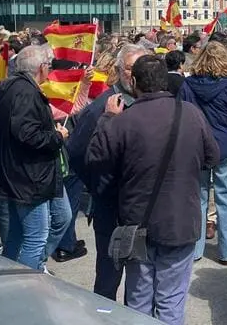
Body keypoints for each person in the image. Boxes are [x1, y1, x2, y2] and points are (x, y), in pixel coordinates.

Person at [86, 55, 219, 325]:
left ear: (134, 82)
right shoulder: (191, 113)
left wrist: (108, 119)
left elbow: (94, 160)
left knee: (139, 300)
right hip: (180, 221)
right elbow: (212, 157)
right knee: (171, 300)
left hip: (138, 223)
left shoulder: (124, 120)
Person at [0, 45, 70, 271]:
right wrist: (57, 136)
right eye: (48, 65)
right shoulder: (25, 92)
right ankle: (28, 283)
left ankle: (12, 275)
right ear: (42, 68)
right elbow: (28, 134)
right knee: (36, 236)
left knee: (17, 234)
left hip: (14, 173)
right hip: (29, 177)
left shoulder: (8, 86)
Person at [69, 43, 147, 299]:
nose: (135, 75)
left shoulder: (148, 103)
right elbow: (77, 152)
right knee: (108, 274)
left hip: (139, 205)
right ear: (117, 70)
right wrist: (99, 184)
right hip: (109, 207)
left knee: (139, 278)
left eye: (141, 69)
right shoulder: (102, 107)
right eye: (129, 69)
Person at [180, 41, 227, 264]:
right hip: (225, 144)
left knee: (199, 198)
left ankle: (196, 249)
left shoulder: (188, 84)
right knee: (226, 198)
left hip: (198, 145)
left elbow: (182, 112)